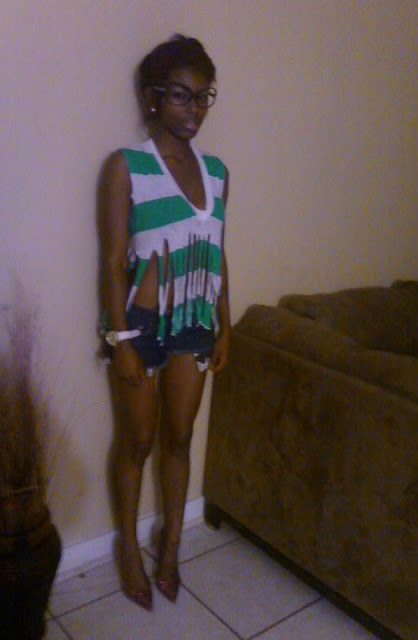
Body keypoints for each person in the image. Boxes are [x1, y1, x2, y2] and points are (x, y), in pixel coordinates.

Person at [101, 34, 231, 611]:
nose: (194, 108)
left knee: (179, 439)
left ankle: (171, 546)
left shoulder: (218, 172)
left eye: (203, 96)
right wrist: (122, 340)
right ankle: (128, 546)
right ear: (153, 97)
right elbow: (112, 260)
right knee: (137, 442)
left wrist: (225, 326)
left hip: (195, 321)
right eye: (181, 95)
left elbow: (219, 252)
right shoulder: (127, 166)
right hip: (142, 325)